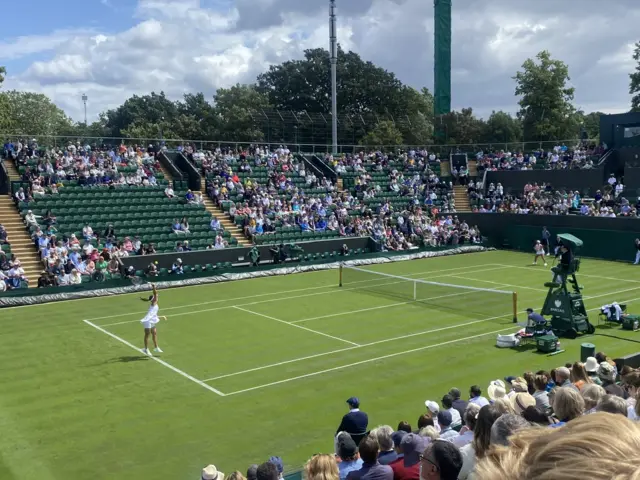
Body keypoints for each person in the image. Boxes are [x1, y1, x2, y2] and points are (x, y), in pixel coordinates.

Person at [139, 284, 166, 355]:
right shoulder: (154, 303)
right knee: (147, 334)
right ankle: (145, 349)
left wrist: (161, 316)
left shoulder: (154, 304)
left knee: (154, 333)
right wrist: (154, 287)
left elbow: (154, 315)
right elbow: (155, 293)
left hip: (152, 320)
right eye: (155, 297)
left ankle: (156, 347)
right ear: (153, 299)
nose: (156, 297)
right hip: (147, 321)